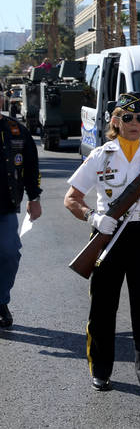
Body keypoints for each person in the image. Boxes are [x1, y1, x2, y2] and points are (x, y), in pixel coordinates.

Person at [63, 93, 140, 404]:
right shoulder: (101, 155)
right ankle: (101, 370)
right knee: (103, 307)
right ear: (115, 121)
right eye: (128, 118)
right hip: (109, 234)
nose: (135, 124)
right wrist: (93, 216)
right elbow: (71, 198)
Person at [0, 111, 41, 329]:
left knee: (9, 253)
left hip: (5, 207)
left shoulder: (16, 130)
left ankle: (1, 301)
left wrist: (34, 197)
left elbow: (31, 166)